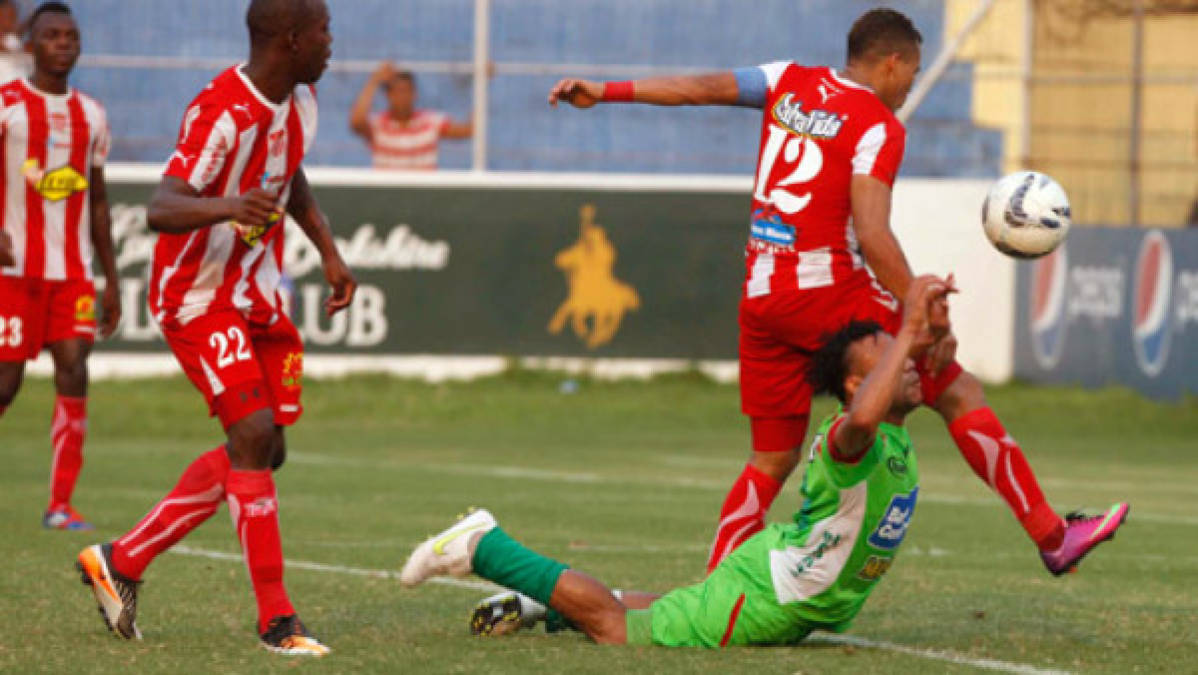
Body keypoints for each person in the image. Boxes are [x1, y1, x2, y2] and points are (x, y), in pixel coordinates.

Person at [547, 8, 1128, 576]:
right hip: (824, 290)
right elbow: (873, 236)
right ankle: (1053, 535)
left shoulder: (785, 81)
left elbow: (701, 87)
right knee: (956, 389)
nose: (910, 86)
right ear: (894, 64)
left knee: (771, 458)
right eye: (915, 72)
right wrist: (919, 313)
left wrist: (607, 90)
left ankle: (716, 584)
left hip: (760, 298)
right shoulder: (878, 125)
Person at [402, 277, 979, 646]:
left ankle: (544, 608)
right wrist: (904, 334)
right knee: (618, 631)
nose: (907, 365)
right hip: (773, 595)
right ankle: (484, 546)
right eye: (889, 359)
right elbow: (860, 420)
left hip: (782, 576)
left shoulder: (897, 430)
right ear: (856, 385)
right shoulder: (849, 441)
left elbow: (922, 373)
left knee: (683, 608)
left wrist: (931, 335)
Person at [75, 0, 355, 656]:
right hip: (198, 298)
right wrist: (230, 203)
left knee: (264, 451)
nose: (331, 43)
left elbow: (293, 176)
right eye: (323, 31)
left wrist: (329, 250)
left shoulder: (300, 98)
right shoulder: (220, 111)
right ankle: (278, 620)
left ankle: (122, 558)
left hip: (256, 294)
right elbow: (160, 207)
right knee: (253, 435)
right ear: (290, 39)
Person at [0, 1, 120, 531]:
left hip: (71, 270)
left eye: (71, 35)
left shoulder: (92, 115)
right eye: (52, 35)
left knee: (74, 368)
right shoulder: (5, 105)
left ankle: (60, 504)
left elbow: (97, 201)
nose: (64, 43)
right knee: (6, 383)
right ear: (30, 45)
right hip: (12, 272)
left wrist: (111, 278)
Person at [349, 61, 472, 170]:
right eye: (398, 92)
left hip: (423, 193)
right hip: (387, 194)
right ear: (388, 95)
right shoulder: (378, 125)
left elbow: (470, 130)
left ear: (415, 94)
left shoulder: (431, 122)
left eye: (407, 91)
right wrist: (374, 80)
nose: (403, 97)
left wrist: (482, 84)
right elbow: (356, 122)